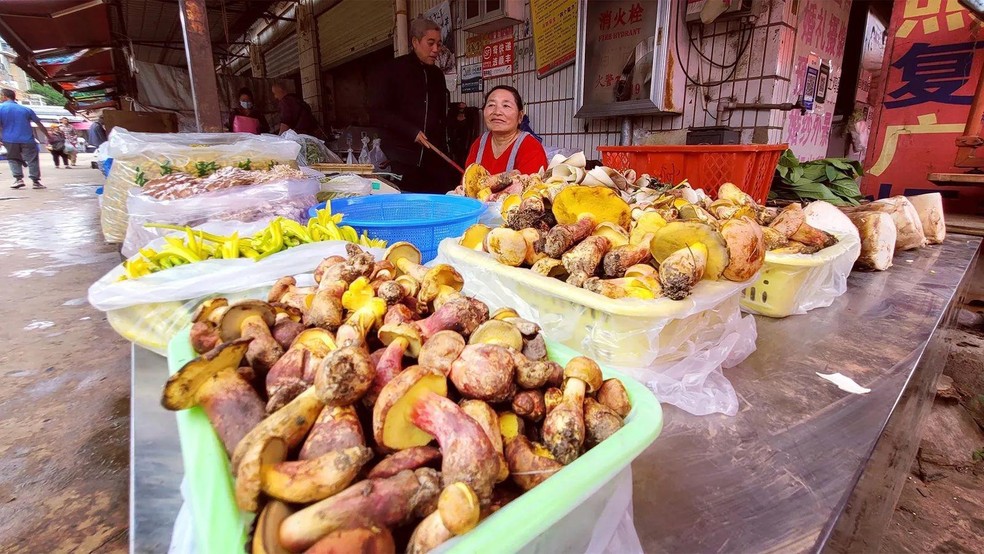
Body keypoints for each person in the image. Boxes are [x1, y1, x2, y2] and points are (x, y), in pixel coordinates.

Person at [368, 18, 457, 193]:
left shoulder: (437, 75)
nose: (436, 49)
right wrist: (411, 131)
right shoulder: (393, 70)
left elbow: (441, 117)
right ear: (415, 42)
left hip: (433, 160)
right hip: (403, 159)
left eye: (438, 44)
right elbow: (378, 112)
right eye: (430, 43)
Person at [465, 86, 548, 175]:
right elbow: (467, 181)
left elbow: (532, 183)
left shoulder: (531, 147)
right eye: (491, 105)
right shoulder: (479, 143)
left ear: (520, 116)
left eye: (506, 106)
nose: (497, 112)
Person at [0, 88, 51, 189]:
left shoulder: (1, 108)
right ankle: (36, 182)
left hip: (9, 139)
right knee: (32, 160)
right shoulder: (26, 109)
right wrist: (48, 136)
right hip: (27, 139)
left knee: (13, 159)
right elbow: (39, 124)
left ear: (5, 96)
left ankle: (18, 179)